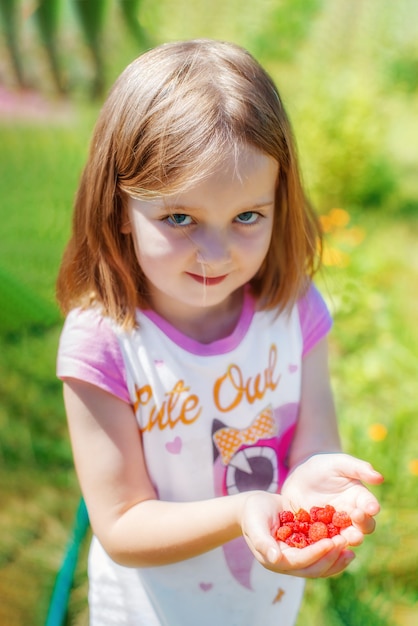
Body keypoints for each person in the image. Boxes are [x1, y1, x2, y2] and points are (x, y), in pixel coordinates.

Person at [56, 39, 383, 626]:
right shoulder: (104, 344)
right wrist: (243, 511)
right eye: (179, 218)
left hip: (263, 607)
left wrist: (317, 484)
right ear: (118, 210)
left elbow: (314, 445)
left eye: (247, 217)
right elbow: (123, 524)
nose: (216, 253)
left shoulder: (293, 311)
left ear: (278, 201)